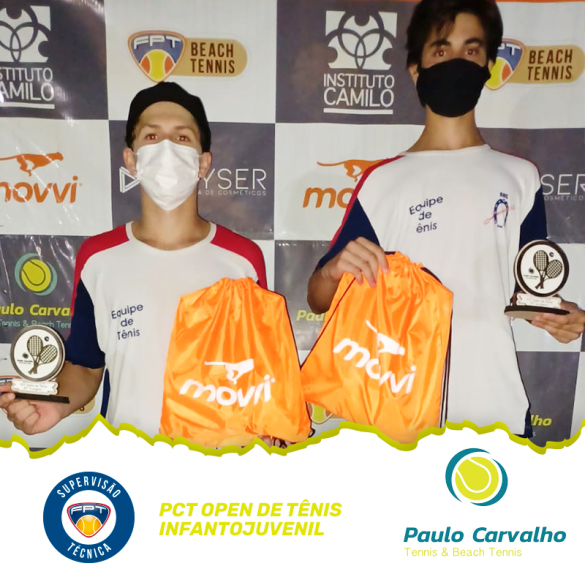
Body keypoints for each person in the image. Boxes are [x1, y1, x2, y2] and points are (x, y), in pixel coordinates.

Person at [307, 0, 585, 437]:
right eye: (442, 50)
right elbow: (318, 298)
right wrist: (332, 271)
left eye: (471, 50)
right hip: (397, 418)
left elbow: (526, 292)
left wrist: (558, 317)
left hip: (495, 412)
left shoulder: (522, 178)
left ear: (488, 66)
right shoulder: (381, 181)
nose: (457, 62)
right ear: (416, 69)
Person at [0, 82, 267, 439]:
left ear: (203, 163)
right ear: (131, 159)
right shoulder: (98, 258)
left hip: (223, 460)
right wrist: (55, 404)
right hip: (131, 459)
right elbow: (86, 366)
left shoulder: (243, 259)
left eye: (182, 137)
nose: (167, 148)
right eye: (152, 137)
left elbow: (262, 369)